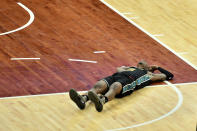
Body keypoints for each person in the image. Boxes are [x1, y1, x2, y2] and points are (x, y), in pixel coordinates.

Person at [69, 60, 174, 112]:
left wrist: (157, 67)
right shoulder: (130, 67)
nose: (141, 62)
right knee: (99, 85)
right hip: (116, 76)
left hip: (129, 82)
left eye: (144, 63)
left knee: (115, 86)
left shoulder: (149, 75)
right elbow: (118, 69)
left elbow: (169, 76)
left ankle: (102, 101)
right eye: (140, 63)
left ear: (148, 67)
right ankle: (83, 98)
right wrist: (125, 68)